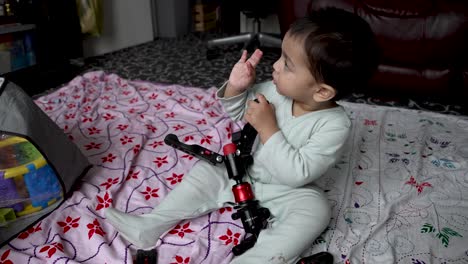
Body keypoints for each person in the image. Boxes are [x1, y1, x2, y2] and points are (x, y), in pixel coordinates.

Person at [105, 7, 378, 264]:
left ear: (321, 92)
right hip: (245, 171)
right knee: (206, 171)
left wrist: (269, 128)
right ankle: (150, 225)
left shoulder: (334, 125)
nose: (276, 66)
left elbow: (297, 173)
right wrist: (236, 88)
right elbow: (238, 112)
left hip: (289, 190)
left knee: (316, 211)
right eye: (281, 56)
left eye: (288, 65)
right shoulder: (275, 90)